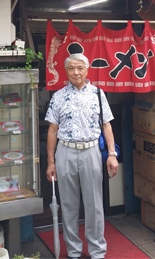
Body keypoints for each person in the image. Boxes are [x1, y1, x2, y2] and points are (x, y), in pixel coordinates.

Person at [45, 53, 119, 259]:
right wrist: (51, 162)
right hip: (65, 152)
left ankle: (97, 251)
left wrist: (112, 154)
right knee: (68, 204)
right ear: (66, 71)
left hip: (91, 151)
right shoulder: (58, 96)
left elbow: (106, 125)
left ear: (87, 70)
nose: (75, 72)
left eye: (79, 68)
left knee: (94, 204)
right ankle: (74, 252)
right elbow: (52, 130)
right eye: (71, 69)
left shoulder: (98, 94)